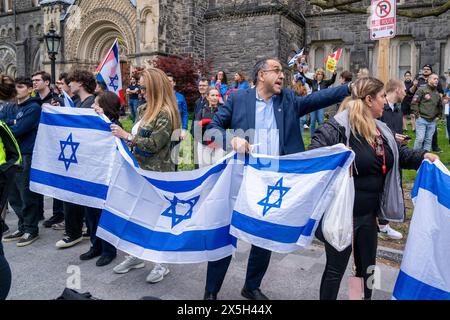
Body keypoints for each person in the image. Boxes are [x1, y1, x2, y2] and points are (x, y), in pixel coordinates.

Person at [204, 57, 352, 300]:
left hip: (273, 181)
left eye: (283, 71)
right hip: (241, 179)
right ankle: (211, 291)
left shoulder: (288, 100)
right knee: (225, 232)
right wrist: (232, 140)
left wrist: (348, 89)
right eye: (277, 71)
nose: (282, 75)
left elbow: (316, 99)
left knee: (264, 235)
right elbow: (210, 129)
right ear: (261, 75)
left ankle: (251, 286)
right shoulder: (238, 99)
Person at [310, 77, 438, 300]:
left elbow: (398, 155)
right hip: (342, 216)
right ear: (369, 99)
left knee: (368, 270)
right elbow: (313, 156)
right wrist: (337, 158)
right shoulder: (337, 128)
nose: (384, 102)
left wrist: (423, 156)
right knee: (334, 270)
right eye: (380, 97)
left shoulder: (381, 129)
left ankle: (359, 299)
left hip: (369, 216)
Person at [110, 68, 181, 284]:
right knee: (138, 215)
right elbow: (134, 139)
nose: (139, 90)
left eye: (143, 86)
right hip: (138, 172)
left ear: (154, 87)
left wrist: (127, 136)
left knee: (158, 219)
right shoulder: (142, 109)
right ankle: (137, 255)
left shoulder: (166, 113)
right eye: (139, 86)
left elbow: (153, 145)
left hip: (158, 175)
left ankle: (162, 263)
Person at [55, 70, 97, 249]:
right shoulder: (78, 102)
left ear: (80, 83)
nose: (69, 84)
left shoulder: (92, 103)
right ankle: (76, 230)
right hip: (75, 156)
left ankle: (74, 232)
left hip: (85, 157)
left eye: (71, 81)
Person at [79, 92, 121, 267]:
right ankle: (95, 245)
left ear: (105, 106)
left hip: (107, 178)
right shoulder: (92, 122)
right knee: (91, 214)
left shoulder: (113, 126)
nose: (92, 107)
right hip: (92, 174)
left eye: (96, 104)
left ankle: (108, 250)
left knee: (104, 215)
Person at [2, 77, 42, 247]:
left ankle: (31, 229)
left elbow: (19, 130)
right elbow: (3, 123)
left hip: (26, 154)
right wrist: (12, 123)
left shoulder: (34, 107)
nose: (17, 89)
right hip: (10, 156)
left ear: (30, 89)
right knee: (12, 195)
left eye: (21, 87)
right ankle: (22, 225)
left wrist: (10, 124)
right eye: (16, 87)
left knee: (26, 194)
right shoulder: (10, 106)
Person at [378, 79, 409, 240]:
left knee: (391, 187)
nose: (406, 92)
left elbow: (396, 131)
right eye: (404, 89)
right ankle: (381, 225)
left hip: (395, 153)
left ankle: (383, 223)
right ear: (396, 89)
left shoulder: (397, 110)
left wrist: (399, 139)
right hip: (380, 156)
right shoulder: (380, 108)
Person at [413, 64, 445, 152]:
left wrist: (439, 116)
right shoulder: (421, 90)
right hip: (421, 119)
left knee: (428, 141)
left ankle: (424, 158)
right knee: (420, 139)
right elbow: (414, 102)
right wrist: (417, 115)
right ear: (429, 80)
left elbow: (439, 105)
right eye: (435, 79)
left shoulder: (437, 93)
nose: (437, 81)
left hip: (432, 121)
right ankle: (414, 156)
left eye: (437, 79)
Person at [301, 68, 337, 138]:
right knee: (313, 121)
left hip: (321, 105)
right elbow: (305, 78)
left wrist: (334, 74)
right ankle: (312, 137)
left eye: (321, 74)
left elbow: (332, 80)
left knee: (321, 121)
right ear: (316, 75)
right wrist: (301, 72)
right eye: (318, 74)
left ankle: (321, 137)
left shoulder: (325, 83)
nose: (319, 75)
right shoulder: (312, 82)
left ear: (323, 75)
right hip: (313, 104)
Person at [194, 88, 225, 167]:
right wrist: (205, 142)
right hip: (204, 145)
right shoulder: (201, 111)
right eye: (212, 95)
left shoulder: (223, 111)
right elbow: (195, 129)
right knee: (204, 169)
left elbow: (226, 126)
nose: (215, 98)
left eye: (216, 95)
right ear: (207, 97)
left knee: (218, 168)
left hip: (219, 145)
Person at [166, 73, 188, 141]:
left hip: (176, 129)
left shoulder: (180, 97)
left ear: (174, 83)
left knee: (175, 150)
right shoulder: (160, 97)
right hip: (163, 129)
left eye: (169, 81)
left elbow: (185, 114)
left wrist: (184, 129)